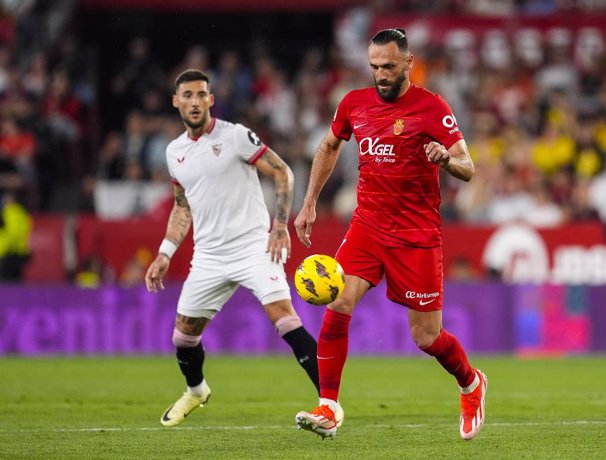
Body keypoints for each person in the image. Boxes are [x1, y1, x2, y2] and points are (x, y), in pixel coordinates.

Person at [293, 29, 487, 441]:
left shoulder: (432, 108)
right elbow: (329, 147)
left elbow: (467, 167)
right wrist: (309, 202)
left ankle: (471, 383)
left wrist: (445, 160)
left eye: (388, 67)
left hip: (416, 234)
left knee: (426, 337)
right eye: (375, 67)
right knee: (339, 299)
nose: (380, 75)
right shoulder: (353, 104)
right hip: (368, 225)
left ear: (408, 63)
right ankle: (328, 405)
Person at [144, 69, 342, 428]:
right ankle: (197, 390)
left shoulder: (235, 136)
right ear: (175, 101)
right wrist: (164, 252)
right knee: (184, 337)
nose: (194, 101)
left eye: (201, 94)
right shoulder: (175, 153)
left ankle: (329, 405)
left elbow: (282, 172)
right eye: (186, 95)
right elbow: (181, 205)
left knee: (285, 319)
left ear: (211, 99)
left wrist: (280, 224)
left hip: (254, 246)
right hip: (208, 256)